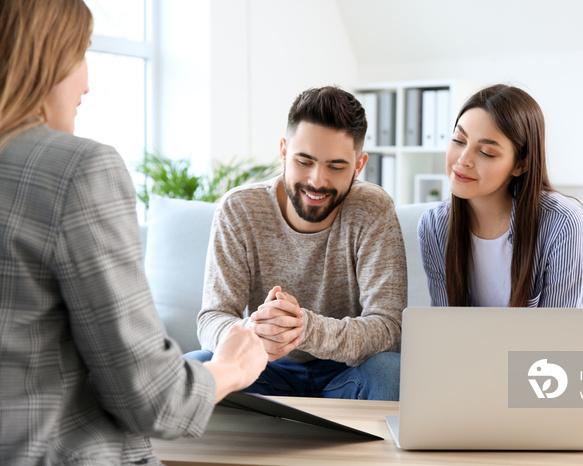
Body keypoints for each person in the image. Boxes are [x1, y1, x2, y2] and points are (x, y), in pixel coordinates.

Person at [0, 1, 268, 464]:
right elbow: (153, 397)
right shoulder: (78, 170)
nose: (87, 82)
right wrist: (234, 365)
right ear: (44, 57)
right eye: (81, 54)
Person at [417, 84, 583, 413]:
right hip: (487, 381)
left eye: (487, 152)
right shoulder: (435, 226)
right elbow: (446, 337)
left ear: (520, 164)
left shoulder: (563, 222)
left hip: (568, 380)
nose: (462, 160)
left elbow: (557, 349)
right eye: (458, 140)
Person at [186, 86, 407, 401]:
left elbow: (389, 328)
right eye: (305, 161)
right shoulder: (239, 209)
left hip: (346, 374)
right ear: (283, 151)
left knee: (391, 371)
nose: (317, 180)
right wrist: (257, 332)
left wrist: (306, 329)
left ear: (359, 166)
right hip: (262, 368)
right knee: (197, 366)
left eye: (336, 166)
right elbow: (213, 317)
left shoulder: (373, 209)